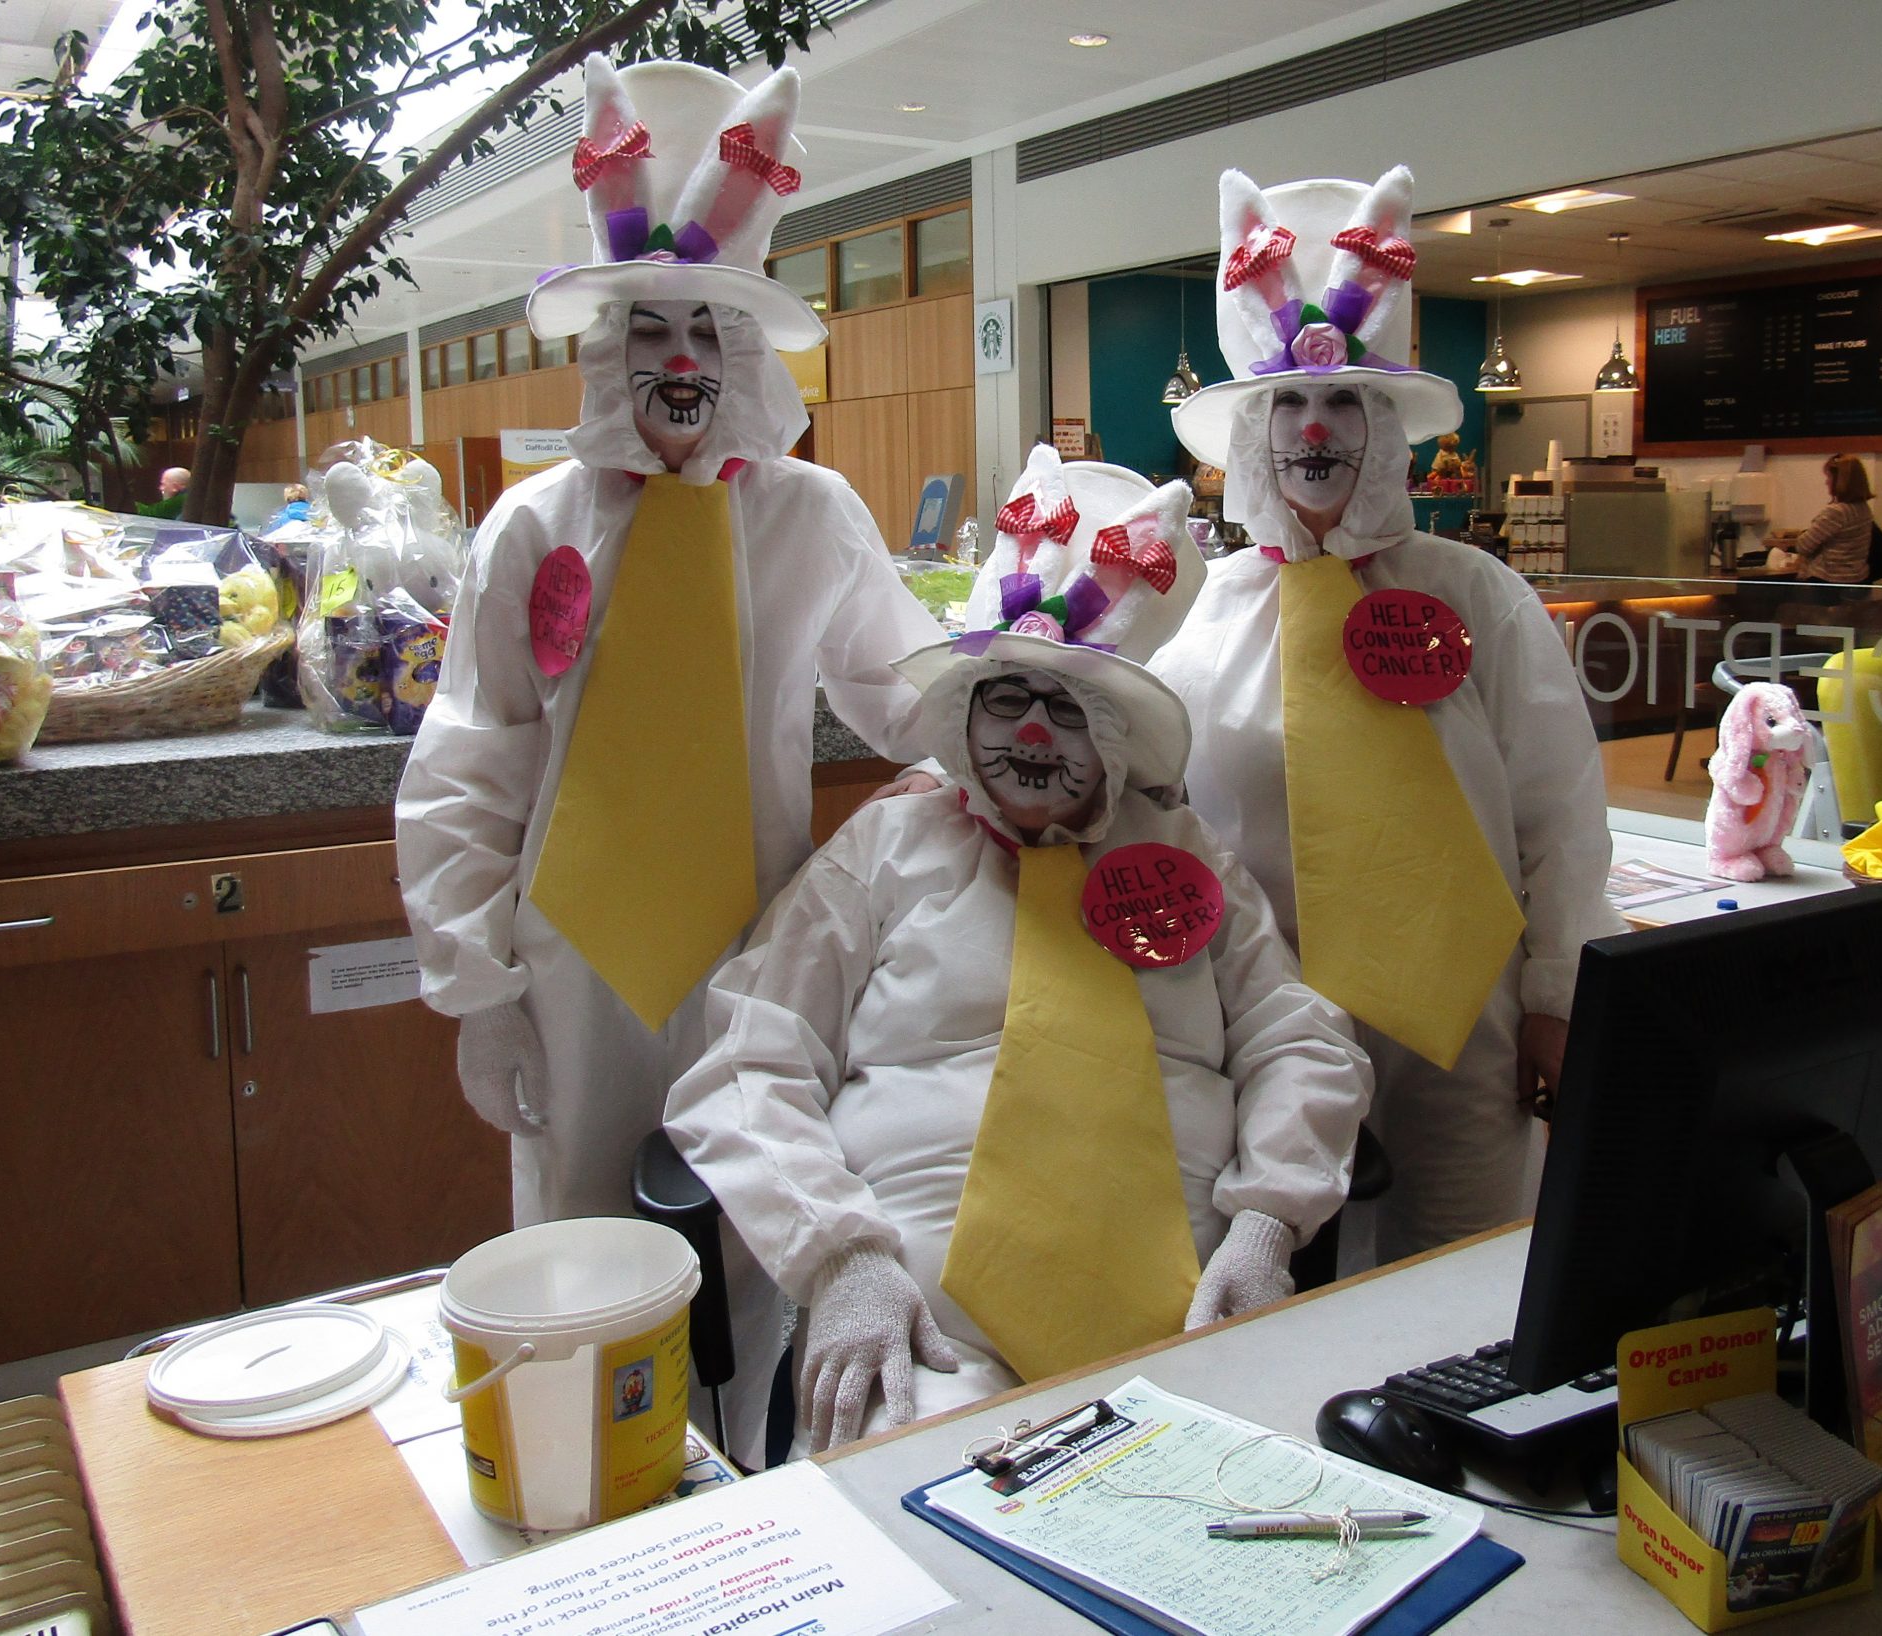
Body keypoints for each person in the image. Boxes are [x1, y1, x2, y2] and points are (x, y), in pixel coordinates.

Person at [394, 53, 944, 1458]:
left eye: (709, 328)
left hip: (759, 953)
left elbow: (903, 688)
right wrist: (475, 987)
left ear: (748, 349)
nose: (682, 361)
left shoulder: (811, 515)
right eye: (650, 328)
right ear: (604, 346)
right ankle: (594, 1506)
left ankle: (753, 1496)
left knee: (758, 1239)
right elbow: (472, 757)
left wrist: (1022, 717)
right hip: (570, 964)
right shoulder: (534, 526)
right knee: (580, 1258)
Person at [668, 451, 1370, 1457]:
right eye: (1007, 699)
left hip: (1191, 1312)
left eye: (1070, 709)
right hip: (923, 1330)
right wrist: (839, 1259)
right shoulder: (884, 851)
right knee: (929, 1505)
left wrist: (1267, 1225)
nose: (1034, 733)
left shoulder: (1185, 855)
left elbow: (1299, 1040)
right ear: (962, 714)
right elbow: (748, 1058)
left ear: (1118, 738)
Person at [1152, 167, 1620, 1264]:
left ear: (1387, 425)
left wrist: (1558, 994)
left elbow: (1559, 811)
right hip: (1268, 1026)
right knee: (1283, 1280)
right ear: (1255, 430)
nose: (1315, 428)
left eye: (1344, 403)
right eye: (1289, 404)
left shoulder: (1476, 595)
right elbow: (1140, 785)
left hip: (1464, 1016)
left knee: (1459, 1278)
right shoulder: (1204, 616)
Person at [1781, 454, 1874, 587]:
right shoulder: (1864, 508)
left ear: (1840, 480)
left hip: (1830, 581)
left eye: (1829, 477)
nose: (1826, 482)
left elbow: (1803, 546)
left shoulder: (1836, 512)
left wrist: (1803, 534)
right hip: (1857, 578)